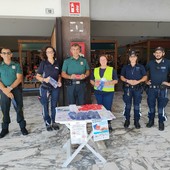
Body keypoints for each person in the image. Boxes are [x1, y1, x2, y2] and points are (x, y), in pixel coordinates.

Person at [0, 47, 28, 138]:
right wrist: (5, 90)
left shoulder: (16, 65)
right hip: (4, 90)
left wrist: (10, 88)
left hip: (16, 89)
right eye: (4, 53)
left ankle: (22, 127)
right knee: (4, 109)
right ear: (1, 55)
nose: (6, 55)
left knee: (19, 108)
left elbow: (19, 78)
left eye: (8, 53)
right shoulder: (0, 66)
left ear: (11, 54)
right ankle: (5, 129)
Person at [36, 46, 62, 131]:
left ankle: (54, 122)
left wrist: (59, 81)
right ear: (46, 54)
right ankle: (47, 123)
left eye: (51, 51)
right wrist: (44, 79)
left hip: (55, 88)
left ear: (54, 53)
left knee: (54, 105)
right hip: (45, 88)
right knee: (45, 105)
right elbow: (38, 76)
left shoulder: (57, 63)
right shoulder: (43, 63)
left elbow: (59, 75)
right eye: (48, 52)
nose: (50, 53)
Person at [90, 54, 118, 131]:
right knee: (100, 108)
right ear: (99, 61)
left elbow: (116, 80)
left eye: (104, 59)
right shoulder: (95, 70)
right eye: (101, 60)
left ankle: (108, 124)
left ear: (107, 61)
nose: (103, 61)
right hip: (98, 92)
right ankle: (101, 123)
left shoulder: (112, 69)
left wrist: (110, 83)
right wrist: (94, 83)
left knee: (107, 108)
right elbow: (91, 80)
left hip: (108, 92)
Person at [120, 50, 147, 129]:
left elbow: (145, 77)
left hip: (137, 89)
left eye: (134, 56)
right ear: (129, 58)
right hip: (128, 88)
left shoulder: (141, 67)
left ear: (136, 57)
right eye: (131, 57)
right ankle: (127, 120)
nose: (133, 58)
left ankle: (136, 121)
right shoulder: (125, 67)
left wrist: (137, 81)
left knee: (137, 105)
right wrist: (128, 80)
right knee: (127, 105)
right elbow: (121, 77)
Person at [145, 47, 170, 131]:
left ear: (163, 53)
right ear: (154, 54)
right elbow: (143, 73)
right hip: (151, 89)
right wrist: (146, 81)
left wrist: (169, 83)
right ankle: (151, 121)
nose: (158, 54)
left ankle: (161, 122)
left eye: (160, 52)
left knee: (161, 107)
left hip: (162, 89)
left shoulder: (168, 63)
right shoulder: (150, 63)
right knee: (151, 106)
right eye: (156, 52)